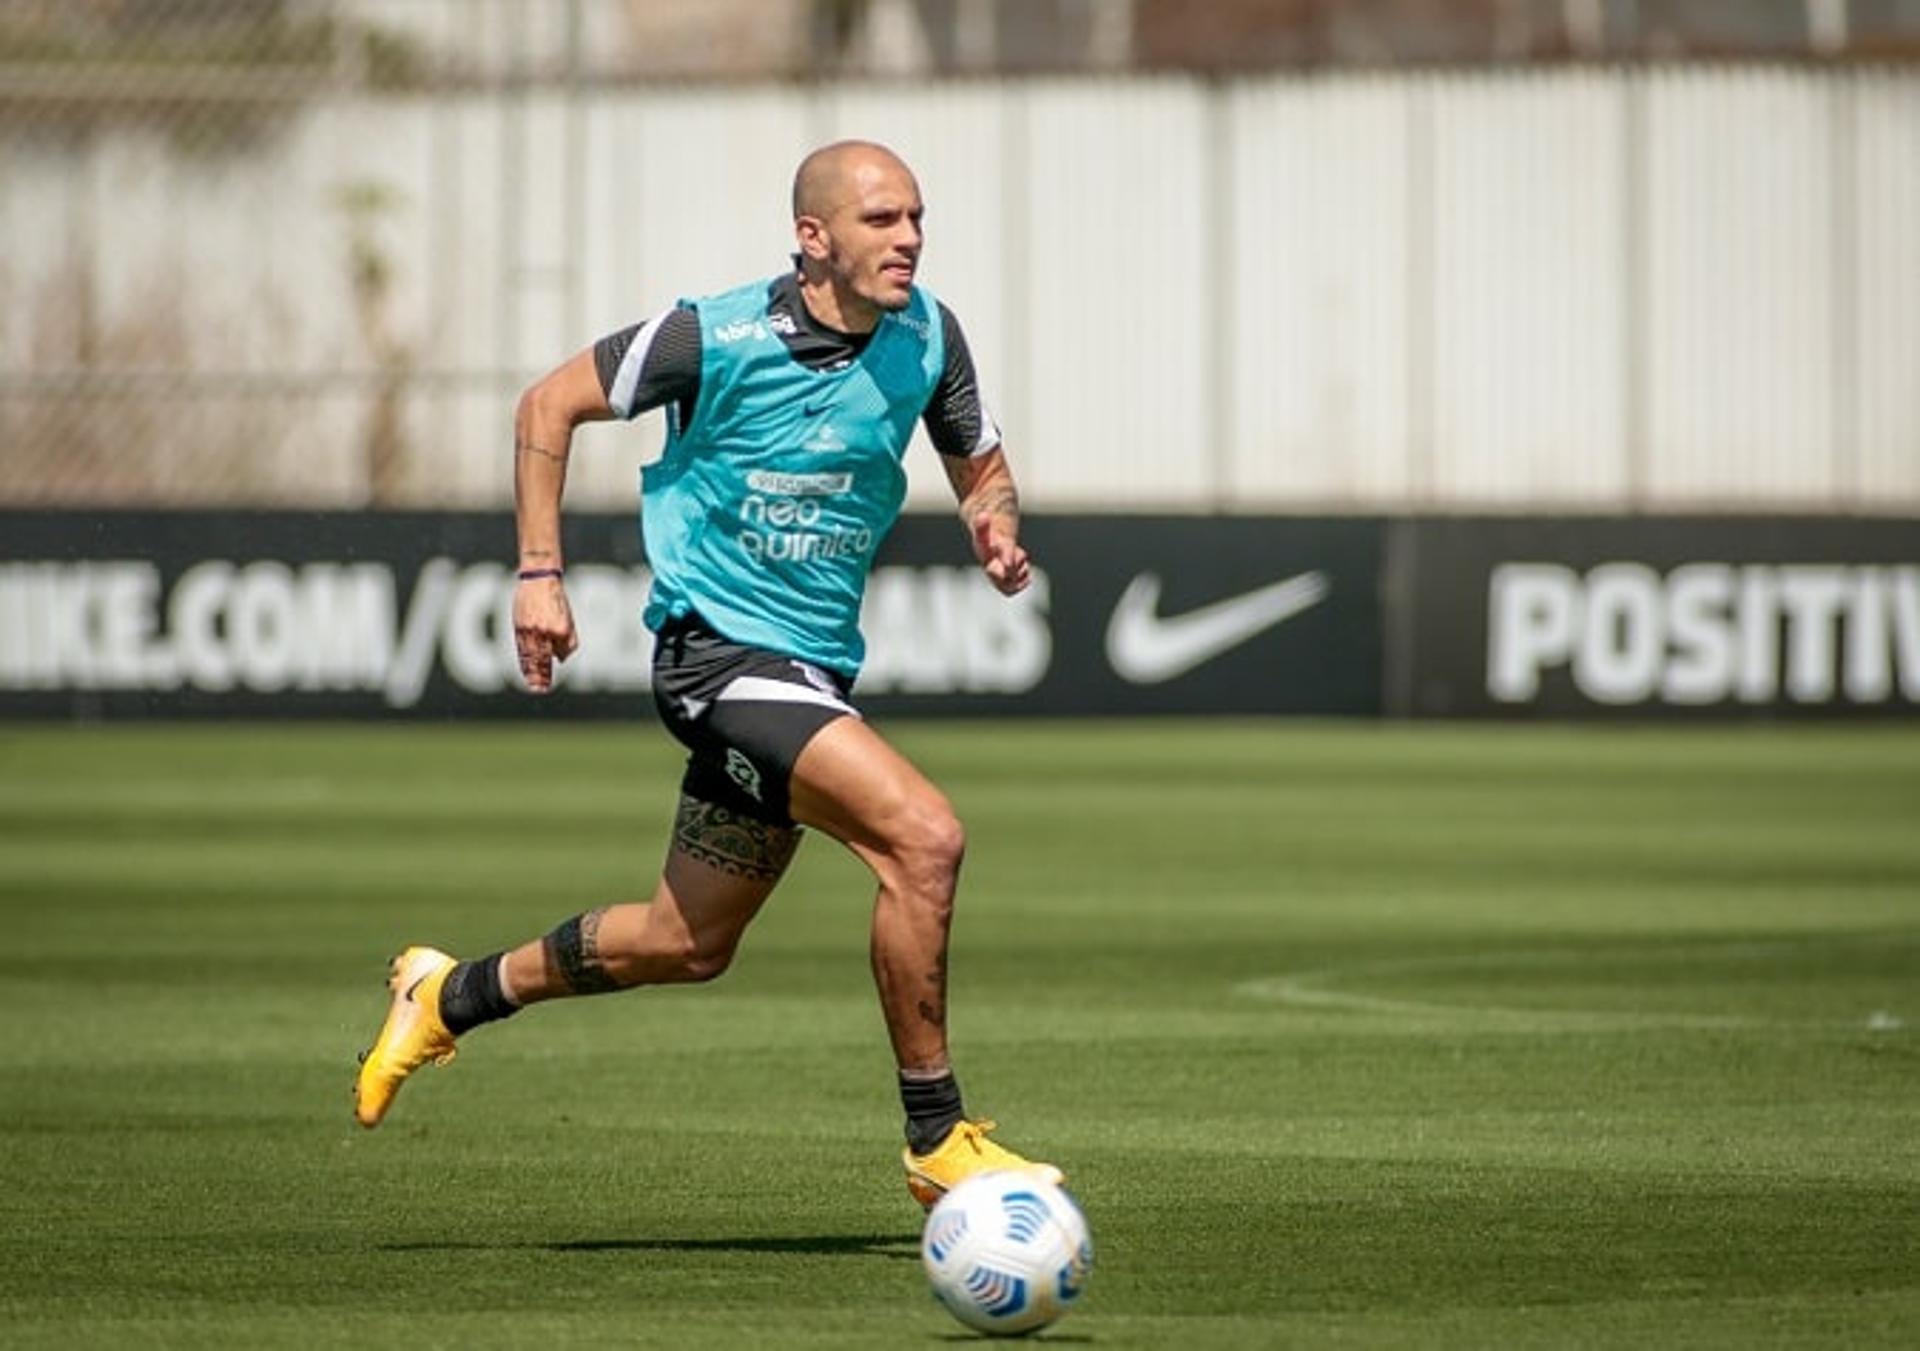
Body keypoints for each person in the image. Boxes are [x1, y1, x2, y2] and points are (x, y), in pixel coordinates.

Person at [353, 140, 1061, 1209]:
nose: (909, 238)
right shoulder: (712, 335)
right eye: (881, 220)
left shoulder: (929, 336)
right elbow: (545, 406)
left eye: (916, 217)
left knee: (685, 942)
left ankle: (447, 992)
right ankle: (935, 1134)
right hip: (717, 660)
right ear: (812, 239)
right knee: (925, 837)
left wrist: (992, 526)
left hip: (809, 671)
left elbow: (982, 465)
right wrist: (540, 574)